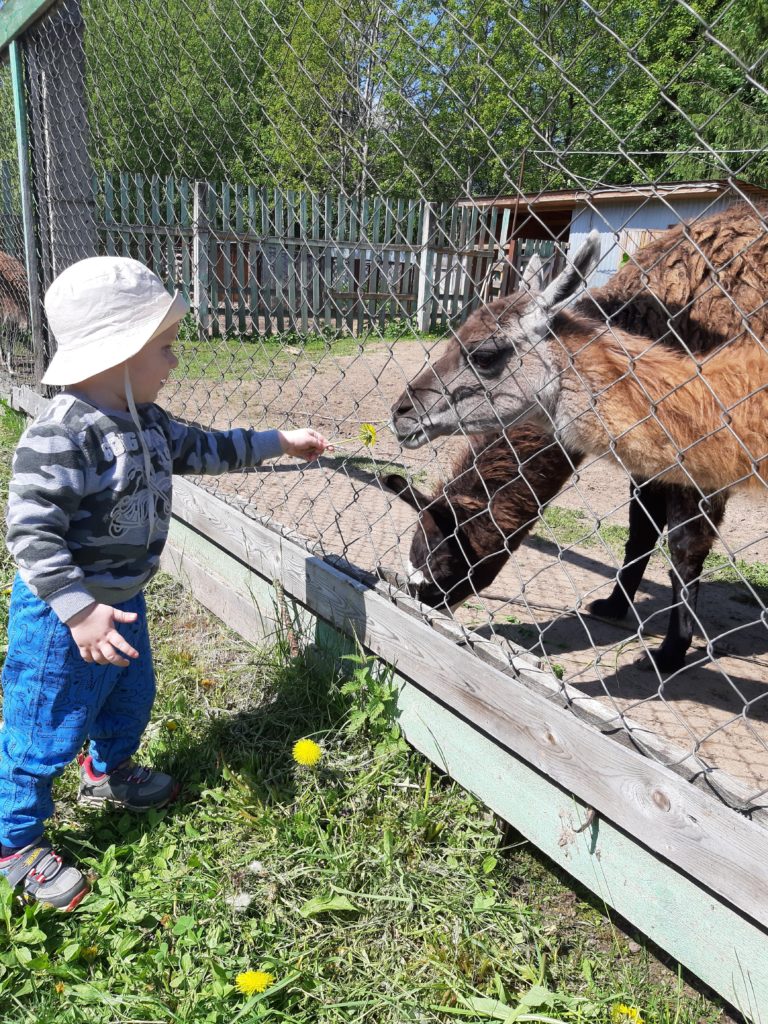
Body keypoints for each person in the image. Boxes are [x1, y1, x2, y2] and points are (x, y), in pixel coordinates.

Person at [0, 257, 331, 911]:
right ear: (118, 355)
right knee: (41, 730)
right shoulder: (60, 437)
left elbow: (212, 448)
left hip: (124, 603)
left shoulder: (147, 421)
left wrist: (280, 441)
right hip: (60, 620)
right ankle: (14, 843)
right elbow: (31, 536)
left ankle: (108, 770)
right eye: (165, 348)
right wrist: (77, 611)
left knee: (130, 697)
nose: (174, 363)